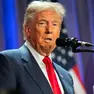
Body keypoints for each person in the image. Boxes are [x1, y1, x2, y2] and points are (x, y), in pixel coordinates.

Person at [0, 1, 75, 94]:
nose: (49, 30)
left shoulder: (66, 76)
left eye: (55, 24)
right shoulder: (8, 61)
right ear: (28, 30)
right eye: (42, 23)